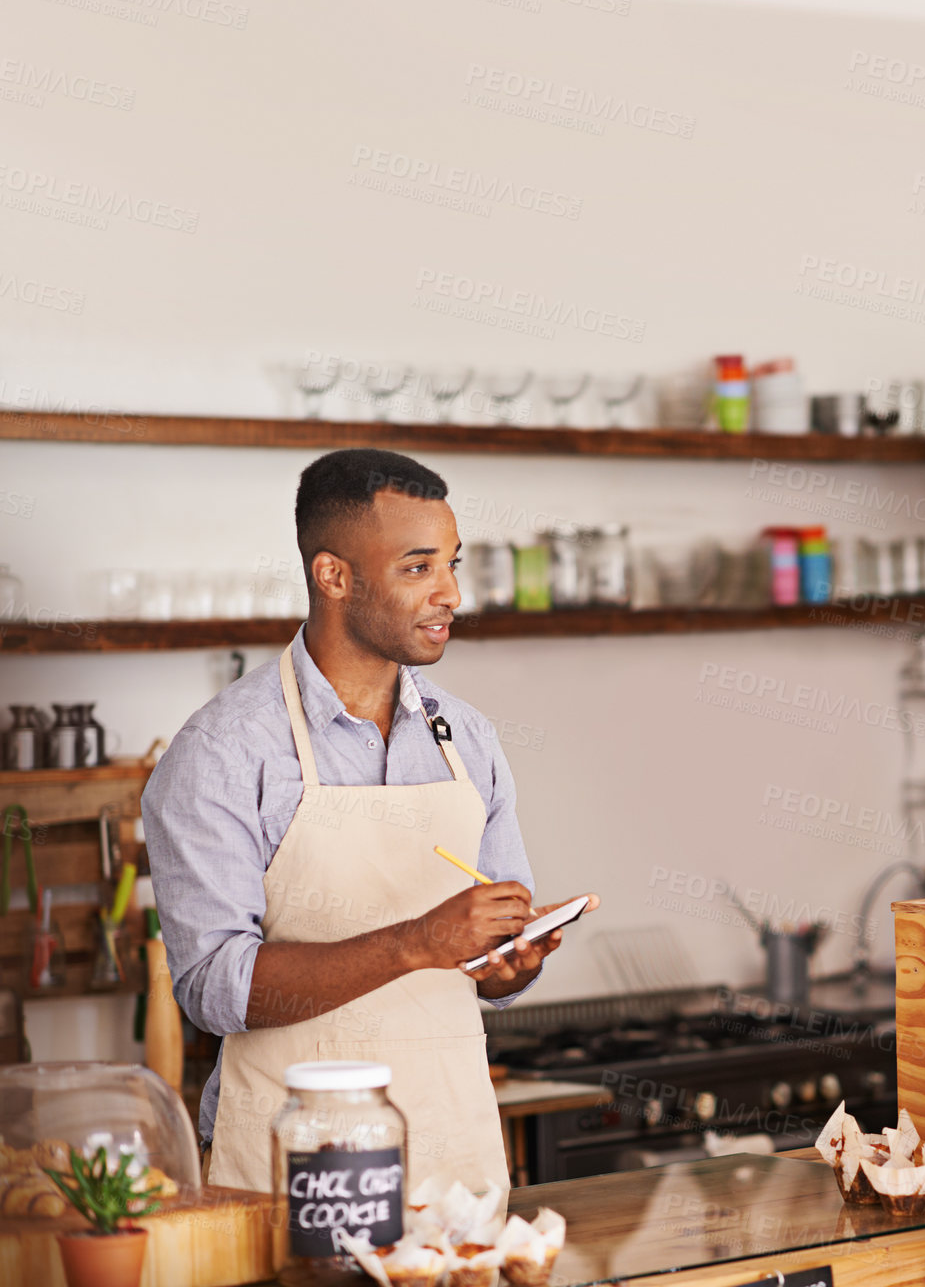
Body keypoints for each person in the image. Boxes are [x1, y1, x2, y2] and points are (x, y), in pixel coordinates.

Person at [143, 448, 596, 1195]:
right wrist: (420, 942)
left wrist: (510, 962)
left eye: (453, 564)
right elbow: (214, 989)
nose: (449, 592)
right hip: (295, 1173)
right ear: (333, 576)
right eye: (418, 568)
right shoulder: (222, 752)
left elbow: (488, 965)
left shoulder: (467, 738)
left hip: (456, 1163)